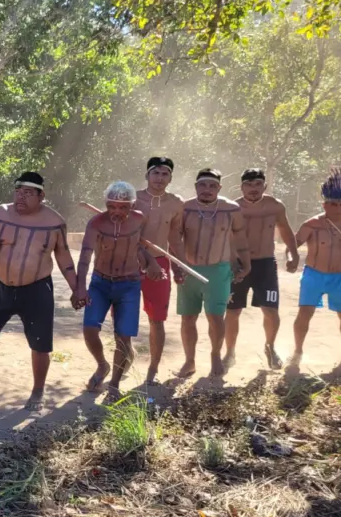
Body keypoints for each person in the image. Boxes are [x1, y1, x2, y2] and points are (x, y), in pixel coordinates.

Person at [0, 172, 82, 412]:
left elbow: (64, 257)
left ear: (41, 195)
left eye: (28, 192)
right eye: (18, 191)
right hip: (0, 286)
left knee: (40, 345)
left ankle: (37, 392)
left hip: (36, 289)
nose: (20, 197)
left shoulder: (54, 223)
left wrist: (76, 288)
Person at [76, 181, 164, 399]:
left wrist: (152, 262)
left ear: (131, 206)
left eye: (123, 207)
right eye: (112, 206)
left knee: (123, 338)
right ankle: (102, 365)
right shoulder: (96, 223)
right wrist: (79, 288)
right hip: (100, 283)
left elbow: (138, 245)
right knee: (89, 328)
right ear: (106, 204)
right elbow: (85, 256)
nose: (117, 212)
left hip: (129, 284)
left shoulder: (138, 219)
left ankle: (114, 384)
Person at [172, 168, 250, 378]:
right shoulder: (184, 208)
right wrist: (177, 267)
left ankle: (215, 355)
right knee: (188, 318)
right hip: (190, 270)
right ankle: (189, 361)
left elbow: (240, 238)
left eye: (212, 186)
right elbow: (174, 239)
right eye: (203, 185)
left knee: (216, 317)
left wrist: (246, 263)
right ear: (196, 186)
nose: (207, 190)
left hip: (219, 271)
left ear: (219, 188)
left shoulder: (231, 209)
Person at [225, 168, 299, 370]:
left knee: (271, 310)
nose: (253, 189)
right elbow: (225, 237)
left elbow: (285, 230)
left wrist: (293, 254)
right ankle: (229, 352)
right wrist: (231, 262)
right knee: (233, 311)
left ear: (265, 186)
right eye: (248, 184)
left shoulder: (275, 206)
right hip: (238, 265)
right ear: (241, 187)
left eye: (258, 184)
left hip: (265, 264)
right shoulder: (233, 208)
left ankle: (270, 347)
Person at [132, 157, 184, 385]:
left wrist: (179, 265)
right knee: (124, 315)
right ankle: (125, 356)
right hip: (131, 263)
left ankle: (153, 367)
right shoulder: (132, 199)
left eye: (165, 174)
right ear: (147, 175)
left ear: (170, 178)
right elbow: (124, 233)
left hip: (161, 263)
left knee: (157, 319)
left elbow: (175, 237)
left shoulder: (175, 203)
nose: (160, 178)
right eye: (156, 173)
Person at [289, 170, 341, 372]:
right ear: (324, 204)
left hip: (339, 277)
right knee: (305, 313)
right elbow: (295, 244)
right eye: (333, 204)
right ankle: (298, 351)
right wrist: (292, 259)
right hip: (314, 275)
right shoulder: (312, 224)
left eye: (340, 204)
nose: (337, 208)